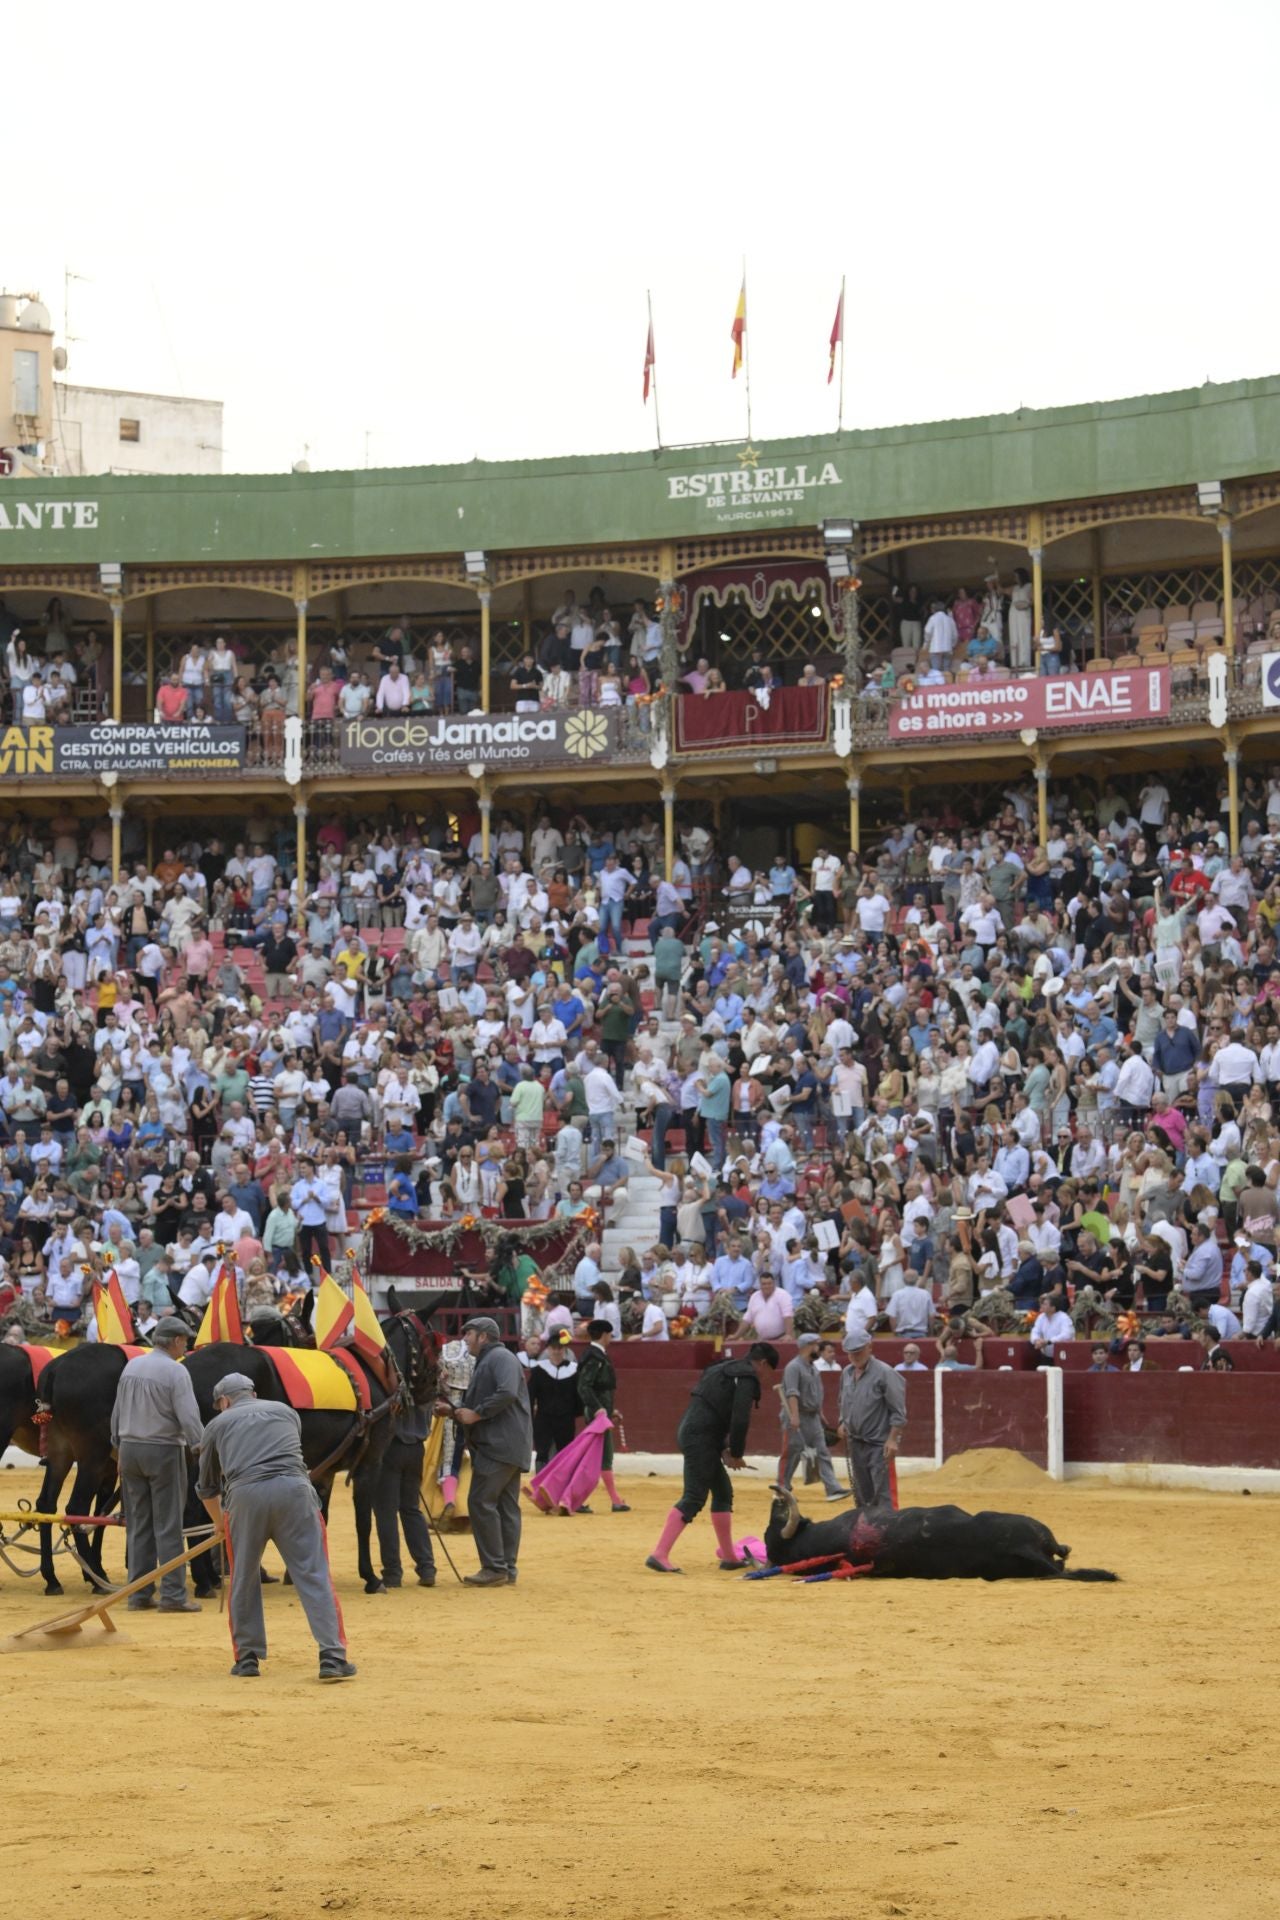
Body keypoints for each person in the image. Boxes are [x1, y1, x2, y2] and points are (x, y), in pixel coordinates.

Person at [197, 1371, 355, 1682]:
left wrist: (220, 1524)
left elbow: (207, 1488)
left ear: (224, 1401)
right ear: (253, 1394)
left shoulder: (217, 1424)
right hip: (295, 1493)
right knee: (314, 1573)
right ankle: (332, 1656)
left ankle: (246, 1658)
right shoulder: (286, 1412)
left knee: (243, 1577)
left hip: (245, 1498)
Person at [646, 1341, 779, 1573]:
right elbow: (739, 1419)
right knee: (694, 1497)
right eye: (769, 1371)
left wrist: (724, 1448)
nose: (766, 1377)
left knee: (723, 1492)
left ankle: (729, 1556)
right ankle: (659, 1554)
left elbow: (713, 1411)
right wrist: (735, 1453)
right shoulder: (747, 1377)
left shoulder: (722, 1367)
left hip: (694, 1432)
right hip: (701, 1438)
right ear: (764, 1364)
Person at [110, 1315, 205, 1613]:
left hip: (129, 1448)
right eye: (185, 1340)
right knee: (168, 1524)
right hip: (163, 1450)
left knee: (139, 1524)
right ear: (175, 1341)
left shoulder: (132, 1365)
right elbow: (189, 1417)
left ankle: (138, 1594)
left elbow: (117, 1411)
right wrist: (201, 1447)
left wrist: (119, 1445)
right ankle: (173, 1594)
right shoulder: (176, 1371)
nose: (186, 1346)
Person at [440, 1316, 532, 1587]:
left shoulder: (499, 1357)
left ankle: (494, 1567)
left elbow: (506, 1393)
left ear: (483, 1336)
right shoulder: (494, 1359)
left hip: (498, 1445)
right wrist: (454, 1411)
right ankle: (506, 1567)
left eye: (469, 1334)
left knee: (481, 1502)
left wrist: (477, 1414)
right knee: (505, 1506)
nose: (465, 1339)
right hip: (507, 1444)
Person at [836, 1329, 906, 1512]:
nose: (854, 1356)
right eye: (850, 1352)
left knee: (883, 1496)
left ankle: (889, 1527)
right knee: (862, 1495)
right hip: (855, 1442)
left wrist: (892, 1439)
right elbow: (843, 1401)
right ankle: (866, 1528)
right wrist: (843, 1421)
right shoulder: (847, 1373)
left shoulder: (885, 1373)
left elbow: (898, 1411)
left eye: (858, 1351)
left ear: (869, 1347)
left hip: (879, 1445)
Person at [373, 1398, 437, 1590]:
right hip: (416, 1448)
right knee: (411, 1509)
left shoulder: (392, 1386)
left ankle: (392, 1572)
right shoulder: (425, 1387)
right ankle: (426, 1567)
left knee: (386, 1512)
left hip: (390, 1446)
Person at [780, 1332, 848, 1502]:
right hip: (797, 1415)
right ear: (808, 1346)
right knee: (793, 1453)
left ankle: (833, 1489)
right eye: (817, 1345)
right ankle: (782, 1488)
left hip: (812, 1416)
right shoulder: (793, 1367)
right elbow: (792, 1393)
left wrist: (820, 1412)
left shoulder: (812, 1367)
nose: (819, 1348)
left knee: (822, 1451)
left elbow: (815, 1393)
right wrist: (794, 1416)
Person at [577, 1318, 629, 1511]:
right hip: (597, 1416)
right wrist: (598, 1408)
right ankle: (579, 1499)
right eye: (609, 1335)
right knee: (601, 1457)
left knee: (598, 1457)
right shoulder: (595, 1357)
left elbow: (596, 1389)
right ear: (605, 1335)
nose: (611, 1338)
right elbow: (584, 1386)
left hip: (600, 1414)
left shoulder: (597, 1355)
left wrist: (608, 1409)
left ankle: (613, 1499)